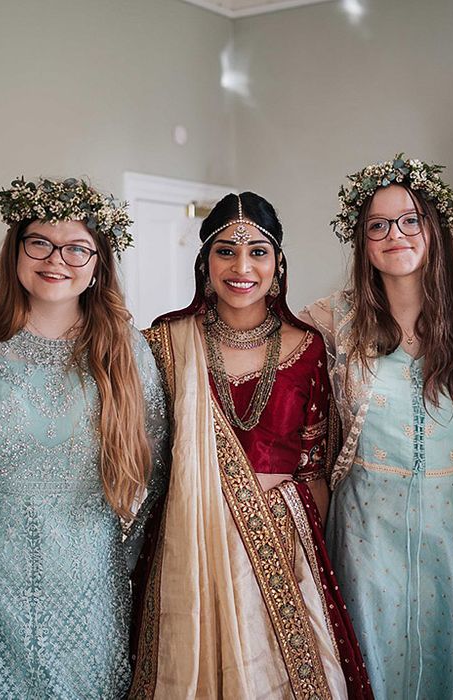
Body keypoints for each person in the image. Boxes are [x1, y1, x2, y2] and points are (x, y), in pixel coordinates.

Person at [129, 192, 371, 699]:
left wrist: (308, 563)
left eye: (258, 252)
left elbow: (314, 467)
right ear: (204, 262)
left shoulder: (307, 346)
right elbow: (146, 452)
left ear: (278, 264)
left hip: (282, 547)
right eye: (225, 251)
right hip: (188, 541)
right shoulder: (166, 342)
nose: (242, 267)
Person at [301, 155, 453, 699]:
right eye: (378, 225)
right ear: (364, 242)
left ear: (434, 229)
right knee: (373, 666)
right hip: (369, 529)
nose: (395, 235)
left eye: (410, 220)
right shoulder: (330, 322)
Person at [0, 177, 169, 698]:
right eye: (41, 242)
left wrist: (116, 560)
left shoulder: (129, 352)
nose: (57, 260)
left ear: (99, 262)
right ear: (16, 249)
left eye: (78, 248)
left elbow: (156, 471)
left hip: (89, 586)